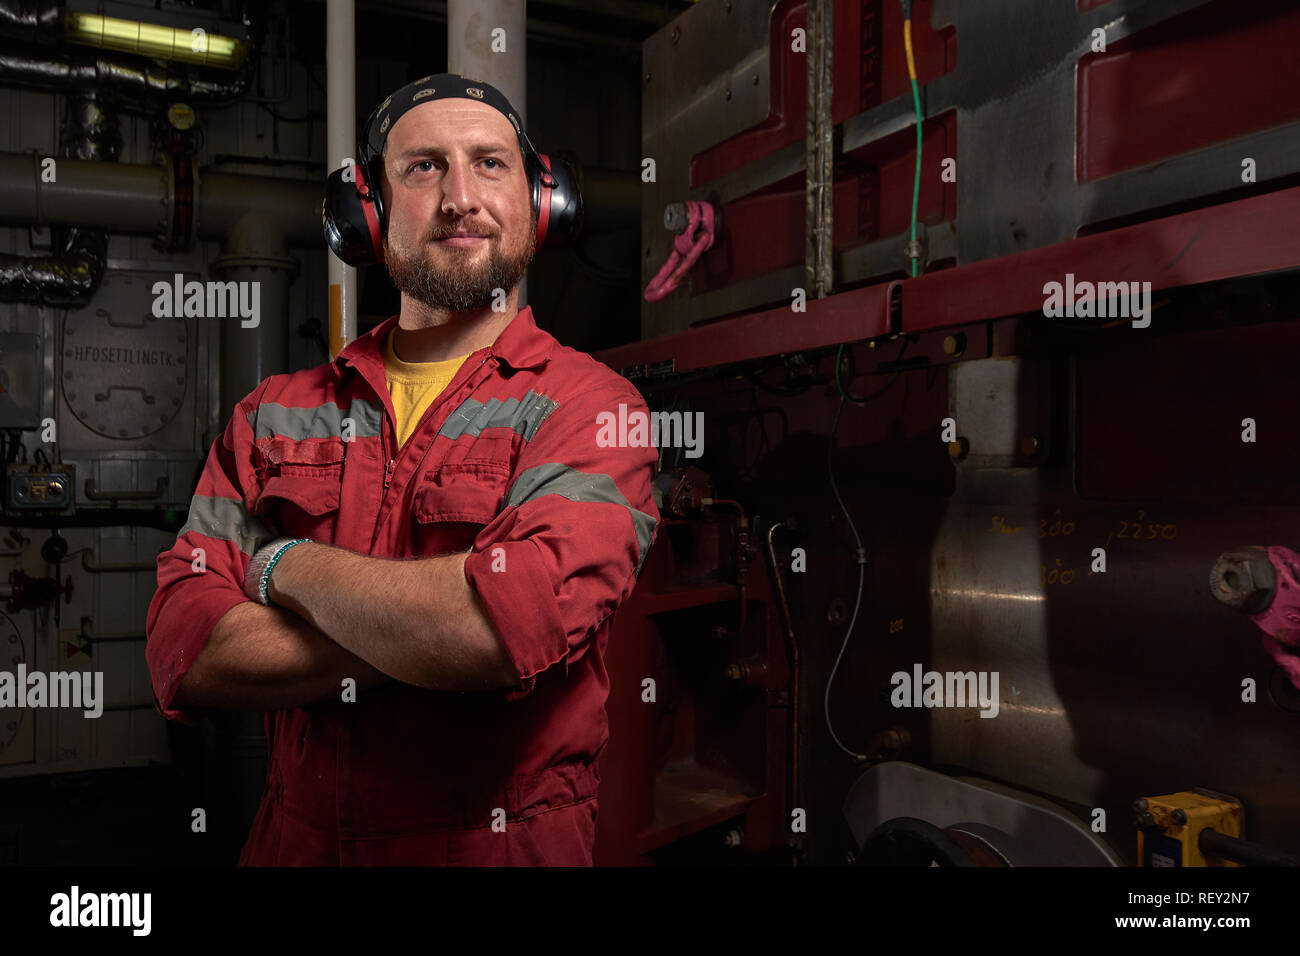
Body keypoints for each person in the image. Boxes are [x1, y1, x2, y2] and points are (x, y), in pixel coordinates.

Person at [145, 73, 660, 865]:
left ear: (541, 199)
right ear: (365, 212)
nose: (460, 197)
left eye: (490, 164)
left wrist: (285, 565)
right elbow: (186, 645)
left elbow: (494, 632)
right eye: (423, 167)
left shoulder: (592, 407)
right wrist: (426, 636)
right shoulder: (273, 413)